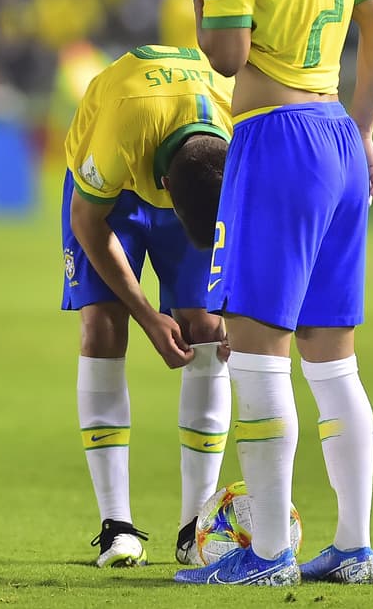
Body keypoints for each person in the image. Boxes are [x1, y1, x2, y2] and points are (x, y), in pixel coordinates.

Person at [125, 0, 373, 587]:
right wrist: (365, 129)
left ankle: (269, 551)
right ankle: (352, 544)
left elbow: (225, 55)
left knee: (254, 351)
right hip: (339, 137)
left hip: (277, 144)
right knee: (334, 363)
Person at [61, 44, 233, 568]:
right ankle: (117, 526)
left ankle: (194, 529)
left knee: (207, 329)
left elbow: (253, 220)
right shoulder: (120, 128)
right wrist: (147, 315)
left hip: (201, 167)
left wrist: (233, 296)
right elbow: (88, 223)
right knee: (104, 327)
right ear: (163, 188)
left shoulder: (239, 118)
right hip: (110, 191)